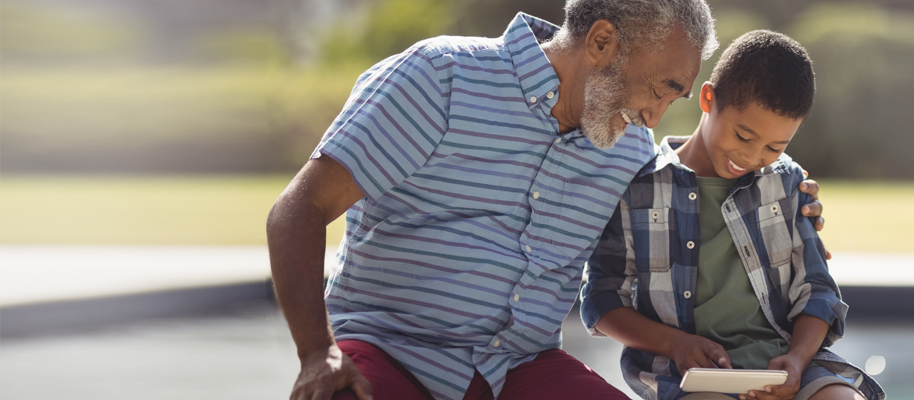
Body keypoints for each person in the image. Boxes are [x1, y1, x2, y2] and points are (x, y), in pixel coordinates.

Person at [265, 1, 830, 399]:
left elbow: (691, 192)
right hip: (391, 351)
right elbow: (300, 207)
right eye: (660, 89)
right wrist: (317, 351)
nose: (656, 118)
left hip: (518, 368)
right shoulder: (441, 77)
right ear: (602, 41)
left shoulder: (626, 147)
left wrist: (787, 191)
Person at [581, 30, 883, 400]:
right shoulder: (638, 189)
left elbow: (818, 291)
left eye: (775, 146)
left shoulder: (788, 183)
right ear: (708, 99)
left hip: (789, 364)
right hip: (690, 376)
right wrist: (675, 344)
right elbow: (601, 299)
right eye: (743, 136)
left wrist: (798, 359)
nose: (753, 157)